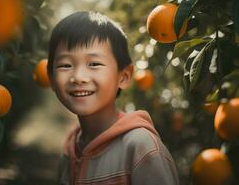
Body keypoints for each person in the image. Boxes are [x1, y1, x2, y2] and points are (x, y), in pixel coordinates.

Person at [47, 11, 179, 185]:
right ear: (51, 79)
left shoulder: (141, 147)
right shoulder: (71, 148)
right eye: (65, 65)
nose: (78, 77)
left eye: (94, 64)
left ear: (123, 76)